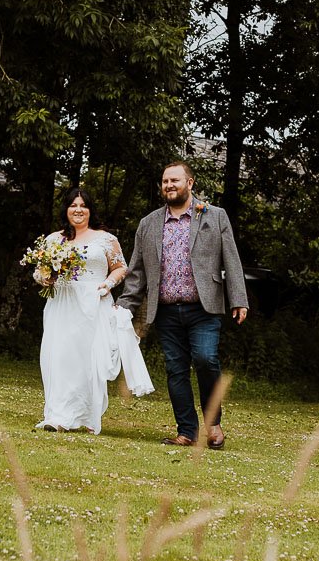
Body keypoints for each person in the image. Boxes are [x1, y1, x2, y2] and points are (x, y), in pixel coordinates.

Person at [117, 160, 249, 449]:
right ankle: (186, 431)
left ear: (190, 183)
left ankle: (213, 424)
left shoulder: (214, 216)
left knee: (205, 359)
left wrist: (239, 298)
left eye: (175, 180)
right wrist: (124, 306)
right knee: (176, 369)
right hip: (165, 310)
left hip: (204, 307)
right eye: (165, 181)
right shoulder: (149, 223)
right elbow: (137, 272)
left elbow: (231, 258)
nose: (169, 186)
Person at [34, 188, 134, 433]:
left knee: (86, 360)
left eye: (83, 205)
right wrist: (44, 279)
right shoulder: (53, 240)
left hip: (92, 303)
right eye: (72, 205)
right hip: (62, 303)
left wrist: (107, 284)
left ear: (90, 210)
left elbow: (121, 268)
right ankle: (57, 416)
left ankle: (87, 415)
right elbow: (39, 271)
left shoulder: (105, 239)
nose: (78, 210)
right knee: (58, 355)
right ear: (66, 209)